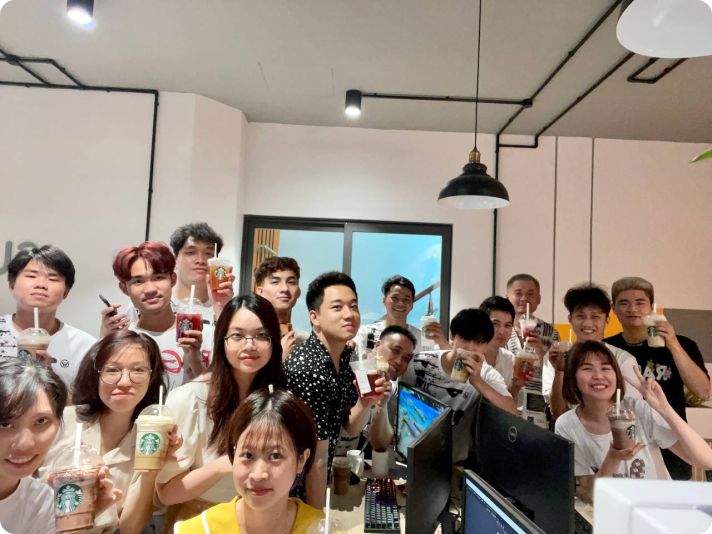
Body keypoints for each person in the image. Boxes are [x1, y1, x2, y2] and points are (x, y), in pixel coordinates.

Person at [156, 294, 286, 529]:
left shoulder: (278, 398)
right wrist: (220, 467)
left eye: (261, 335)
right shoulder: (190, 399)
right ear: (221, 340)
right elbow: (165, 493)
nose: (249, 345)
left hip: (265, 520)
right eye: (237, 335)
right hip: (201, 520)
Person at [38, 330, 181, 533]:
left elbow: (129, 528)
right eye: (112, 370)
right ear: (95, 375)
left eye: (138, 370)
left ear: (151, 378)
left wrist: (152, 470)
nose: (124, 382)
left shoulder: (149, 440)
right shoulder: (59, 422)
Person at [555, 341, 712, 503]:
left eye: (605, 368)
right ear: (572, 377)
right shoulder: (567, 425)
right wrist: (614, 457)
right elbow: (592, 495)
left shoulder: (639, 410)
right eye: (587, 369)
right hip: (615, 513)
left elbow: (707, 461)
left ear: (616, 375)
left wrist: (665, 409)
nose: (598, 376)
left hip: (658, 509)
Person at [284, 272, 389, 509]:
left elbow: (349, 426)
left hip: (316, 482)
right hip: (292, 492)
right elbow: (316, 460)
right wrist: (318, 521)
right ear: (315, 317)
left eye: (353, 306)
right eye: (337, 307)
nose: (349, 314)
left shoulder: (346, 358)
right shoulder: (308, 367)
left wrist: (366, 401)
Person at [175, 389, 324, 533]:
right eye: (248, 455)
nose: (258, 475)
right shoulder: (199, 530)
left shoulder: (321, 529)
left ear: (301, 460)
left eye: (275, 456)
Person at [606, 276, 710, 480]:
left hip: (674, 445)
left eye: (640, 303)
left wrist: (672, 343)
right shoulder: (608, 348)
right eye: (624, 303)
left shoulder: (682, 344)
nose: (632, 309)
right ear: (613, 309)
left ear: (652, 307)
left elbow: (703, 391)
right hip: (628, 443)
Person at [0, 357, 119, 534]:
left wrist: (75, 523)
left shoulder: (44, 504)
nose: (24, 443)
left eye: (41, 421)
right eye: (5, 424)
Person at [401, 308, 517, 463]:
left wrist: (477, 382)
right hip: (409, 450)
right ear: (452, 337)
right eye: (465, 339)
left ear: (486, 346)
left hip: (452, 461)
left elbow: (512, 410)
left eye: (478, 342)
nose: (470, 347)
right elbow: (401, 400)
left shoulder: (486, 374)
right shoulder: (420, 361)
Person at [109, 241, 213, 391]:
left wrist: (195, 359)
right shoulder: (123, 340)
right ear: (124, 288)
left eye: (158, 278)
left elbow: (218, 396)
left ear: (173, 279)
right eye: (138, 281)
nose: (150, 289)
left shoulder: (207, 336)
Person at [100, 222, 234, 336]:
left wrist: (223, 308)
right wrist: (107, 338)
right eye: (191, 252)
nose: (200, 260)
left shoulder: (225, 305)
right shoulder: (149, 302)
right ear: (175, 259)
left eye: (209, 253)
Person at [0, 245, 97, 387]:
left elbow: (86, 398)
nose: (40, 284)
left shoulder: (83, 345)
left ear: (65, 292)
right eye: (31, 276)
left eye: (52, 279)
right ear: (11, 285)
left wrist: (48, 378)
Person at [547, 284, 643, 420]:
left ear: (607, 320)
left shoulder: (623, 359)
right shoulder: (556, 357)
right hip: (570, 430)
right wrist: (559, 370)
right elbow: (558, 412)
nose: (587, 323)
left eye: (595, 317)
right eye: (580, 316)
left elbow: (631, 411)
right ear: (570, 319)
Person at [504, 274, 559, 428]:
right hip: (504, 406)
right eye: (518, 293)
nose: (524, 299)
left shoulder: (550, 332)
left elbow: (557, 373)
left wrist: (541, 354)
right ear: (507, 297)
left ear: (539, 298)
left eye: (530, 294)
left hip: (538, 412)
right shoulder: (499, 330)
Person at [353, 275, 447, 354]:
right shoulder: (366, 333)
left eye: (406, 299)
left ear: (412, 305)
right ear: (384, 301)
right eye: (395, 298)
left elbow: (449, 363)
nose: (400, 303)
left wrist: (442, 341)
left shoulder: (421, 338)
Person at [253, 257, 309, 359]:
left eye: (291, 282)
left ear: (298, 292)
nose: (285, 288)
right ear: (260, 292)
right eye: (275, 282)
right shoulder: (249, 337)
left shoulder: (305, 340)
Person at [479, 296, 534, 398]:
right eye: (495, 324)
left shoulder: (509, 359)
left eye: (507, 325)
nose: (502, 331)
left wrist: (515, 386)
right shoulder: (470, 357)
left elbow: (507, 404)